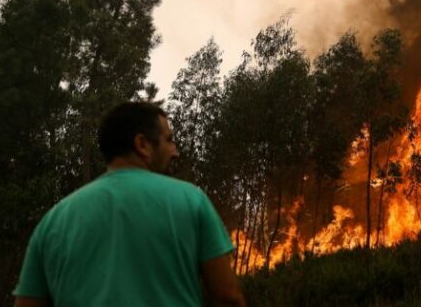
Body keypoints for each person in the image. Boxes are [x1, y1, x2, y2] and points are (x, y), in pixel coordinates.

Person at [13, 102, 246, 306]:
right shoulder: (191, 200)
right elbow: (228, 297)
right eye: (169, 140)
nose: (175, 152)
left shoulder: (53, 221)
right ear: (142, 144)